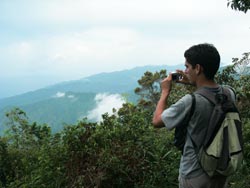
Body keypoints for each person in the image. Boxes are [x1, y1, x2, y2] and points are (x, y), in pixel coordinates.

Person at [152, 43, 235, 188]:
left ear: (197, 68)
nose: (185, 71)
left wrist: (165, 92)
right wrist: (193, 82)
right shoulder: (229, 93)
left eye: (187, 67)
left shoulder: (191, 101)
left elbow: (157, 121)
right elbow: (212, 91)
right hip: (220, 169)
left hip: (194, 174)